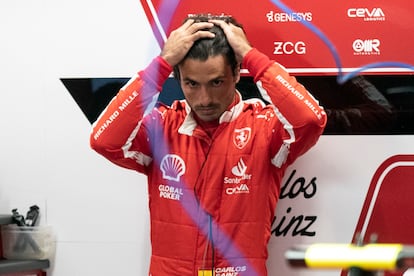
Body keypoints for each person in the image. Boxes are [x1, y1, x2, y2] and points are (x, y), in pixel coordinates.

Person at [90, 14, 327, 276]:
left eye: (216, 82)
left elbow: (311, 120)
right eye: (192, 84)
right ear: (178, 78)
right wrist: (161, 64)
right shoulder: (162, 127)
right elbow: (104, 140)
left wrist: (251, 55)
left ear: (237, 72)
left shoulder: (264, 127)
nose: (204, 99)